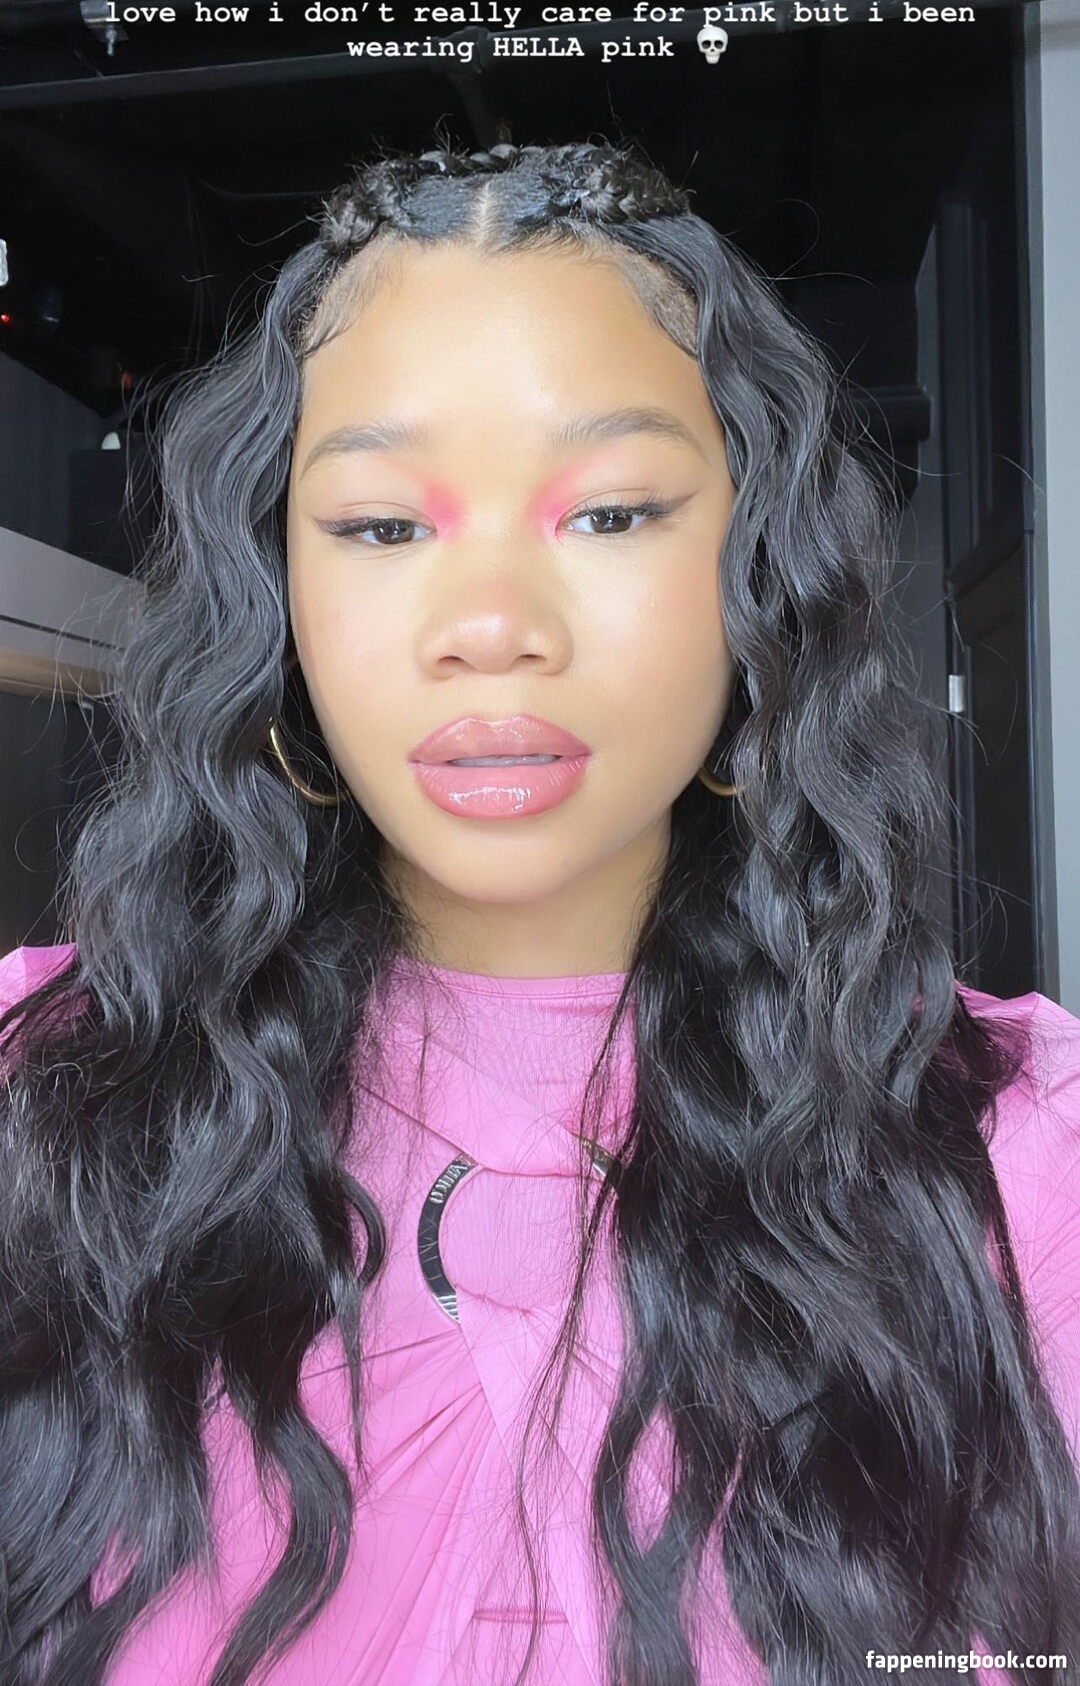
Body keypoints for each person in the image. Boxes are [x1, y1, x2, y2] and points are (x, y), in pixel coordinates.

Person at [0, 137, 1077, 1686]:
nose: (492, 627)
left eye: (613, 513)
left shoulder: (1025, 1160)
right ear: (277, 590)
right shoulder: (46, 1108)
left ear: (758, 563)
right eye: (384, 527)